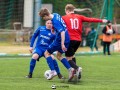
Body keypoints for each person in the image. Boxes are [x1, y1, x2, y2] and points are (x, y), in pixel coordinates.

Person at [62, 4, 108, 79]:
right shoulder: (79, 17)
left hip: (70, 39)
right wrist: (102, 20)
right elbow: (91, 19)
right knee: (72, 55)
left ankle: (77, 68)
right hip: (78, 40)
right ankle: (75, 73)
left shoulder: (64, 18)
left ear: (67, 11)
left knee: (68, 58)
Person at [39, 8, 75, 81]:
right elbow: (62, 25)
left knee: (47, 53)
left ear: (46, 15)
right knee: (59, 55)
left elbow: (62, 32)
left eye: (44, 18)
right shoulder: (56, 14)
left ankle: (53, 71)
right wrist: (53, 28)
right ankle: (70, 69)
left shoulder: (55, 22)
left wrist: (62, 44)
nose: (44, 19)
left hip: (60, 40)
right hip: (67, 38)